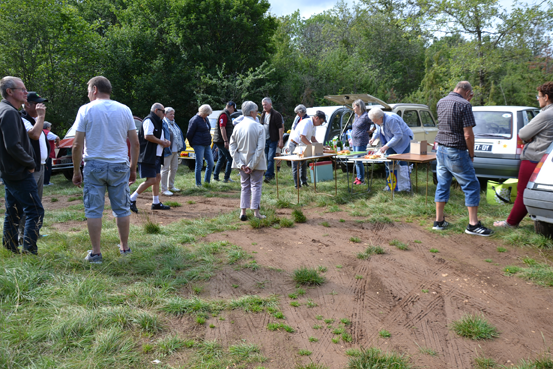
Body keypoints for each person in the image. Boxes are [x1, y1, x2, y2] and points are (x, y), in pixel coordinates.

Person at [72, 76, 139, 263]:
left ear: (94, 89)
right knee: (122, 208)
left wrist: (77, 171)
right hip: (119, 165)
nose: (87, 95)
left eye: (88, 91)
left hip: (94, 165)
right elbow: (135, 143)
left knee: (94, 210)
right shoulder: (124, 109)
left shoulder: (85, 109)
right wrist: (133, 169)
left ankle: (96, 253)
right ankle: (125, 248)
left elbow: (77, 145)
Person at [433, 81, 492, 236]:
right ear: (467, 92)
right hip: (456, 151)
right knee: (472, 185)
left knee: (442, 184)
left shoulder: (441, 101)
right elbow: (468, 135)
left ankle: (439, 221)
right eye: (470, 95)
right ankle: (473, 225)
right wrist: (471, 154)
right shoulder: (464, 105)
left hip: (440, 149)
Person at [494, 82, 553, 228]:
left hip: (535, 157)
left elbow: (523, 133)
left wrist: (530, 137)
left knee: (523, 191)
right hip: (547, 159)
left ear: (546, 97)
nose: (537, 99)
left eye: (538, 96)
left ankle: (511, 223)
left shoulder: (546, 114)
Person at [0, 76, 44, 255]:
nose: (26, 92)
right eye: (22, 89)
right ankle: (29, 251)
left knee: (14, 210)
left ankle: (10, 248)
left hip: (10, 171)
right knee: (35, 210)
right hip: (18, 171)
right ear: (9, 92)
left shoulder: (7, 110)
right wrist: (30, 163)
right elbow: (12, 145)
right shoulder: (9, 112)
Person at [19, 92, 50, 242]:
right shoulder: (22, 119)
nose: (41, 106)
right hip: (30, 168)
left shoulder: (34, 120)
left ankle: (33, 232)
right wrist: (41, 117)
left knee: (37, 203)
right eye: (37, 103)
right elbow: (35, 135)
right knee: (29, 204)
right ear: (27, 105)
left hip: (40, 166)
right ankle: (22, 235)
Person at [131, 103, 171, 212]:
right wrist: (162, 142)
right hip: (148, 156)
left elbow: (157, 137)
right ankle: (131, 198)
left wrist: (165, 142)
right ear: (156, 110)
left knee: (157, 179)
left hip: (156, 156)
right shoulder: (149, 120)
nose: (164, 114)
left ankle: (156, 202)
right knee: (152, 180)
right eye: (163, 111)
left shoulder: (158, 121)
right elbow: (147, 136)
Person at [230, 101, 267, 220]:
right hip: (256, 162)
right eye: (256, 111)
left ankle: (243, 212)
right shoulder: (259, 127)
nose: (257, 113)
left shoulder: (237, 127)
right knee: (256, 186)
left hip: (242, 162)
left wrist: (241, 164)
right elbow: (260, 148)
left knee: (244, 186)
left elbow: (232, 147)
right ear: (252, 112)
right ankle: (256, 213)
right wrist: (251, 165)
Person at [369, 107, 414, 191]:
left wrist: (386, 146)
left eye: (375, 121)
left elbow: (398, 135)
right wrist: (373, 138)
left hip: (403, 141)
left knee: (402, 163)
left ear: (381, 117)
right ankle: (390, 185)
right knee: (388, 163)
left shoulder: (391, 119)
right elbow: (378, 129)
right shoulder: (378, 119)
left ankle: (405, 186)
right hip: (391, 142)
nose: (374, 123)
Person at [288, 110, 326, 189]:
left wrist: (321, 146)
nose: (321, 124)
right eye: (321, 121)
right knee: (296, 166)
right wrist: (312, 146)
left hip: (303, 145)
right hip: (295, 144)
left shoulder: (314, 126)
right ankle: (297, 186)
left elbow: (313, 138)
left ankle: (304, 182)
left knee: (303, 164)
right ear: (317, 118)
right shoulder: (307, 122)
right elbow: (302, 137)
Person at [187, 104, 214, 187]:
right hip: (198, 144)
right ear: (203, 112)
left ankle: (207, 182)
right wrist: (193, 144)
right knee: (199, 164)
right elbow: (189, 134)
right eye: (207, 113)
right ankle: (198, 184)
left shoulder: (205, 119)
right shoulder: (194, 120)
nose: (208, 115)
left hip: (206, 144)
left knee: (211, 163)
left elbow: (208, 129)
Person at [161, 107, 185, 196]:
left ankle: (171, 186)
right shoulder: (163, 123)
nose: (172, 116)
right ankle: (164, 189)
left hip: (175, 149)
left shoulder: (174, 123)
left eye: (173, 114)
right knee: (165, 169)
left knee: (174, 168)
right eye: (170, 114)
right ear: (165, 115)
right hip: (167, 150)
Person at [260, 97, 284, 183]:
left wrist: (280, 140)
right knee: (265, 158)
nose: (264, 106)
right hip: (264, 139)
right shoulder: (263, 114)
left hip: (273, 139)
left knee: (270, 158)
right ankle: (271, 173)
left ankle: (268, 176)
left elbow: (280, 128)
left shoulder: (276, 114)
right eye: (263, 105)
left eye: (266, 105)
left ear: (270, 104)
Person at [213, 101, 236, 183]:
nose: (233, 111)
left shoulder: (226, 115)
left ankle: (215, 177)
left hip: (221, 141)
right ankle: (226, 178)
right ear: (231, 107)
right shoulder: (224, 115)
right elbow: (222, 128)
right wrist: (226, 141)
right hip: (222, 141)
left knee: (221, 158)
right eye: (233, 109)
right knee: (230, 159)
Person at [351, 99, 373, 185]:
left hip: (361, 141)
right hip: (354, 141)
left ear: (359, 106)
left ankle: (361, 179)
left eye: (354, 107)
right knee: (356, 159)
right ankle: (358, 177)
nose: (353, 109)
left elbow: (376, 123)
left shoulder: (366, 116)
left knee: (358, 159)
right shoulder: (356, 116)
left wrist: (372, 130)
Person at [43, 121, 60, 186]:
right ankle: (46, 182)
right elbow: (57, 137)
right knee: (48, 168)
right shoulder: (47, 133)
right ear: (47, 127)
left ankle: (43, 181)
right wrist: (58, 145)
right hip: (48, 153)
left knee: (43, 168)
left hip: (41, 153)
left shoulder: (40, 131)